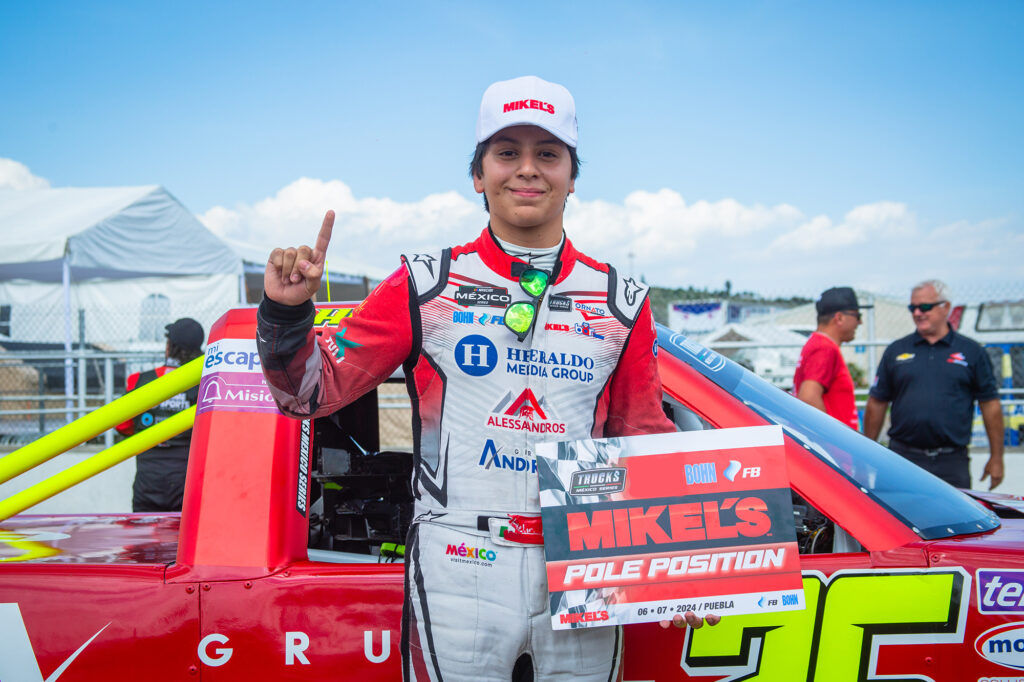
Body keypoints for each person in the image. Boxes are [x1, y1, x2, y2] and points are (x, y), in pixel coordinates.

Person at [256, 75, 717, 682]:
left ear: (573, 176)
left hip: (582, 562)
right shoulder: (425, 284)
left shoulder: (620, 299)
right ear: (478, 174)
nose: (527, 170)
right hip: (458, 561)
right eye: (507, 153)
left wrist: (679, 563)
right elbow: (310, 394)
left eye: (547, 154)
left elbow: (641, 431)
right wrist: (286, 314)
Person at [863, 280, 1004, 489]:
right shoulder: (896, 351)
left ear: (946, 307)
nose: (918, 313)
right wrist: (867, 454)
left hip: (952, 462)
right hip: (902, 460)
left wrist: (996, 457)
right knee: (896, 520)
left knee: (955, 520)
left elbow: (990, 405)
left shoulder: (972, 351)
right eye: (913, 307)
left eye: (925, 307)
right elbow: (877, 402)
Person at [117, 317, 205, 511]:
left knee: (143, 537)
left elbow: (122, 425)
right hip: (187, 483)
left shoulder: (138, 380)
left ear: (169, 346)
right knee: (184, 539)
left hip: (147, 481)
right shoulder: (205, 383)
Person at [793, 286, 867, 428]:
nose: (860, 323)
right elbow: (808, 398)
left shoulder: (817, 344)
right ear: (839, 318)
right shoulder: (825, 348)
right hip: (834, 448)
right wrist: (830, 443)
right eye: (857, 316)